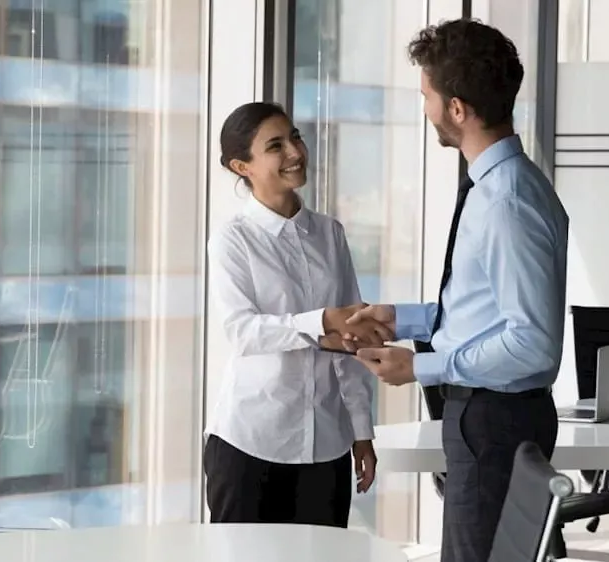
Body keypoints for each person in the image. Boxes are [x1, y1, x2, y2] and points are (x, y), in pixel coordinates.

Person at [341, 19, 569, 562]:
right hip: (490, 419)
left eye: (427, 96)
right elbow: (484, 310)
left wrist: (420, 367)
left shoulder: (505, 202)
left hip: (494, 423)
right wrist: (402, 319)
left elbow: (533, 344)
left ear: (458, 109)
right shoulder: (502, 186)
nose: (425, 109)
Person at [202, 101, 389, 528]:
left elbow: (353, 339)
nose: (295, 152)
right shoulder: (232, 240)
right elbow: (242, 331)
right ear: (242, 167)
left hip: (327, 445)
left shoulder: (330, 234)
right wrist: (320, 322)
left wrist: (362, 430)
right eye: (275, 146)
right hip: (250, 444)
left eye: (295, 137)